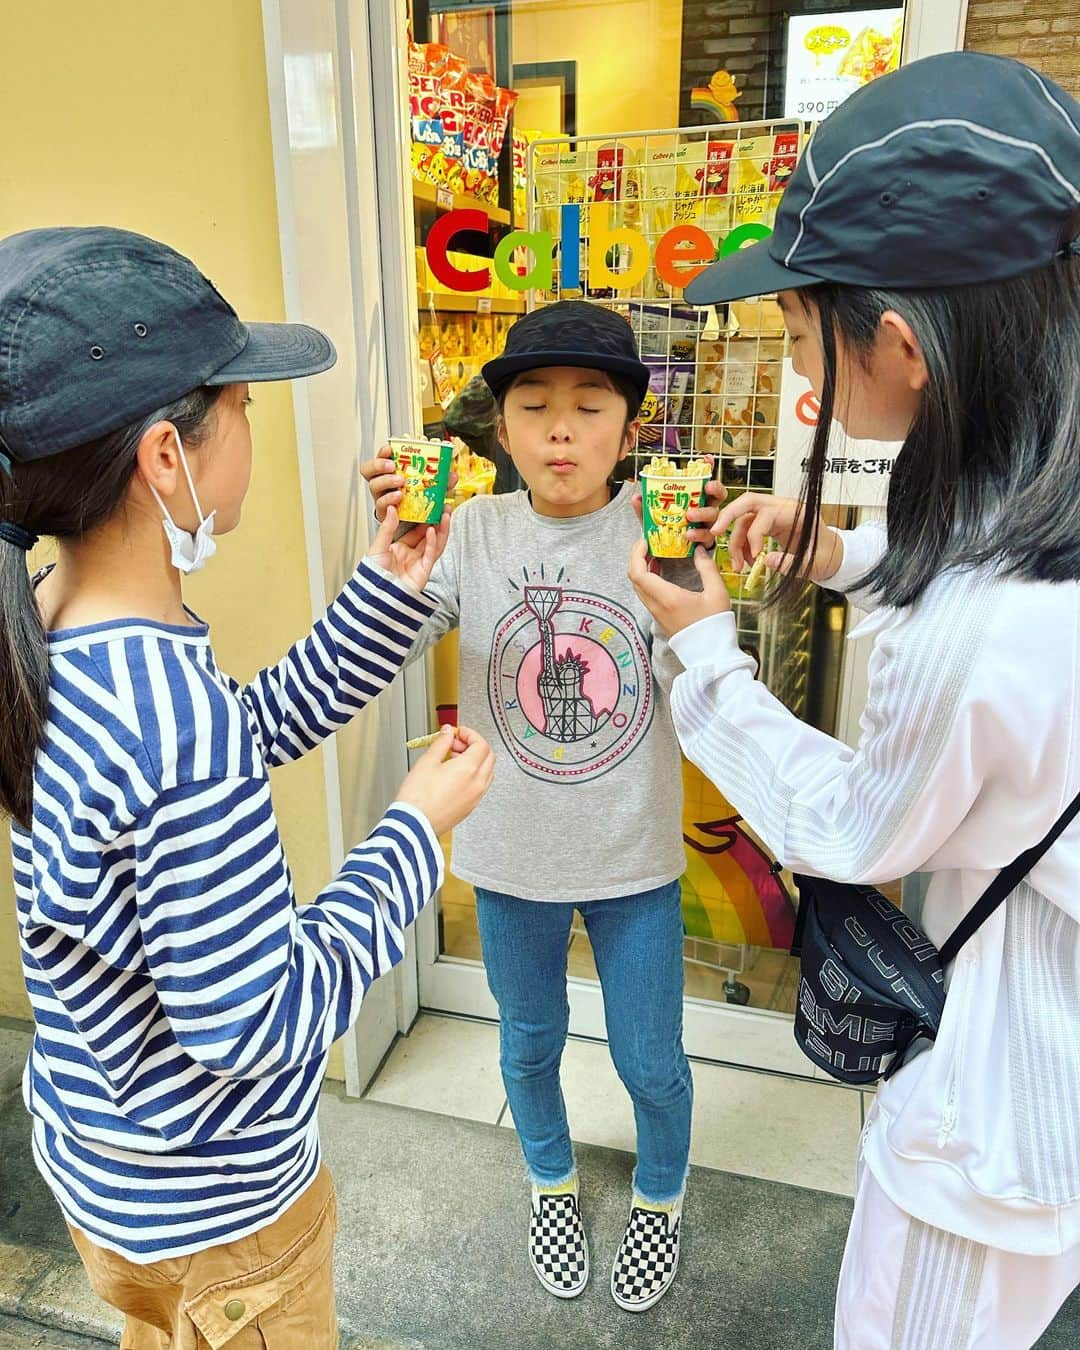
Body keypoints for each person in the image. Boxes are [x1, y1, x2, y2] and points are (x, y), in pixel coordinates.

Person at [628, 52, 1080, 1348]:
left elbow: (851, 827)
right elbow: (993, 554)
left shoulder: (989, 627)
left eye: (800, 327)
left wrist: (708, 656)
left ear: (901, 343)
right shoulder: (1034, 510)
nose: (798, 365)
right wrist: (833, 553)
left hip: (990, 1130)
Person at [0, 225, 494, 1348]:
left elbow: (236, 729)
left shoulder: (52, 621)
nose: (254, 430)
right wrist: (415, 832)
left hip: (112, 1181)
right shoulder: (163, 711)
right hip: (225, 1229)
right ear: (168, 457)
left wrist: (387, 590)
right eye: (243, 407)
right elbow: (258, 1021)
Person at [362, 300, 723, 1312]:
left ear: (629, 427)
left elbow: (702, 671)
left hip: (632, 859)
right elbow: (387, 630)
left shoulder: (656, 531)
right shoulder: (472, 531)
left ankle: (661, 1192)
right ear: (502, 428)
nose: (561, 430)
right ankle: (550, 1181)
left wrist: (700, 586)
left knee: (652, 1057)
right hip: (510, 852)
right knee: (527, 1040)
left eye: (589, 406)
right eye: (534, 406)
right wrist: (398, 545)